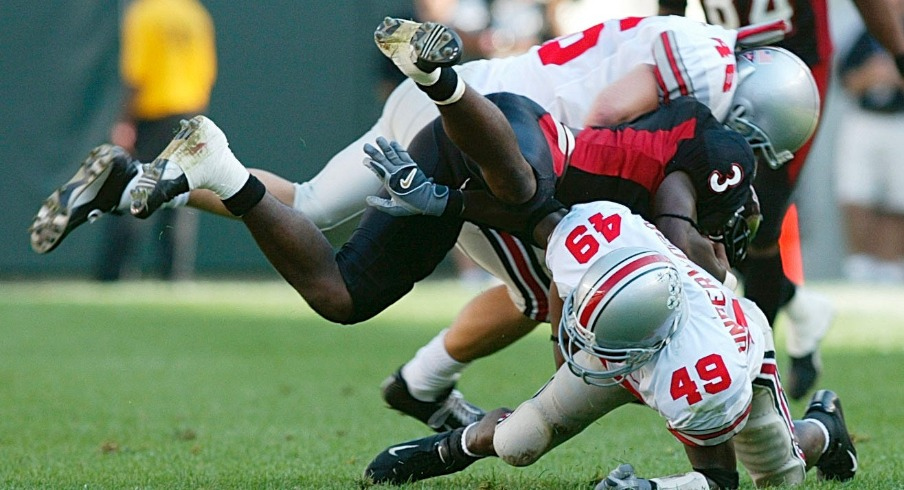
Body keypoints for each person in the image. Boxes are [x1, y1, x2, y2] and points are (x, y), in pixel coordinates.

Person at [28, 15, 817, 434]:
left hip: (478, 104)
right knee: (557, 288)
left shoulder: (696, 56)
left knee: (304, 211)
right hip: (508, 129)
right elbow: (609, 121)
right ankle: (426, 383)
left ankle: (170, 175)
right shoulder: (708, 72)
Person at [362, 202, 858, 489]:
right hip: (628, 341)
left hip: (727, 351)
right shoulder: (598, 236)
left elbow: (717, 481)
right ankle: (458, 444)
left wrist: (648, 489)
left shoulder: (703, 373)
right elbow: (560, 267)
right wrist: (564, 342)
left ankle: (825, 429)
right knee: (518, 443)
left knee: (777, 478)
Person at [658, 0, 904, 401]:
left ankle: (754, 380)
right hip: (729, 65)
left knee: (761, 217)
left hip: (796, 69)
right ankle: (799, 307)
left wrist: (898, 52)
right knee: (717, 211)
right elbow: (669, 11)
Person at [97, 0, 216, 280]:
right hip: (190, 112)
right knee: (180, 193)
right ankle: (174, 275)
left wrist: (125, 121)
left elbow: (136, 74)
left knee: (135, 188)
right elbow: (206, 73)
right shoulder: (195, 14)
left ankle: (113, 275)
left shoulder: (144, 13)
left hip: (153, 114)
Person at [835, 9, 904, 283]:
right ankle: (860, 265)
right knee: (857, 193)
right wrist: (874, 75)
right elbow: (847, 78)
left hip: (898, 120)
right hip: (864, 118)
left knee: (897, 199)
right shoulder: (865, 34)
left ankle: (893, 266)